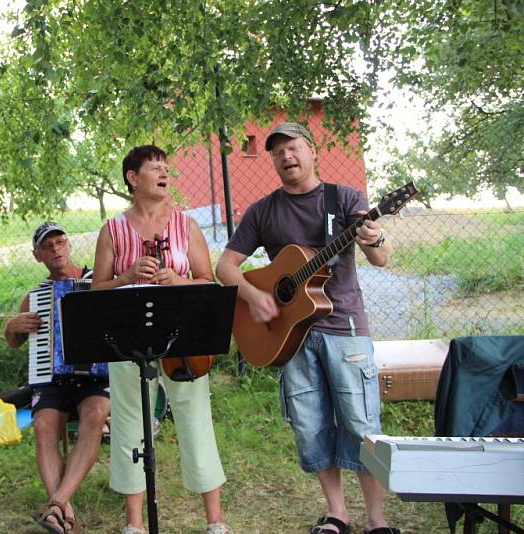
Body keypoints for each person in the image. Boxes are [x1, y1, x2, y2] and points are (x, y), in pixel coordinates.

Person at [216, 122, 398, 534]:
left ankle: (376, 520)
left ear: (312, 150)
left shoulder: (345, 198)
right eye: (278, 152)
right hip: (290, 335)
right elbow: (225, 267)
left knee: (361, 423)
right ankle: (337, 514)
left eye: (293, 148)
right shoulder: (263, 210)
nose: (286, 157)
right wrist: (253, 295)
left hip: (345, 326)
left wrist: (376, 234)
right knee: (311, 425)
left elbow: (381, 258)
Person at [92, 145, 231, 534]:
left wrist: (178, 280)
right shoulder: (113, 230)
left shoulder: (186, 226)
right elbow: (97, 289)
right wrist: (127, 277)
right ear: (133, 178)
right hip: (127, 340)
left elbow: (207, 281)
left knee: (195, 419)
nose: (164, 173)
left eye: (166, 167)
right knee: (128, 423)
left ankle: (215, 521)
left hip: (182, 341)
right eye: (155, 167)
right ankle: (134, 523)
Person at [4, 221, 111, 534]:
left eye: (60, 242)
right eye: (47, 246)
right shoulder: (36, 296)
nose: (56, 249)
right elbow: (13, 342)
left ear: (69, 245)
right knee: (44, 425)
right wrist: (12, 326)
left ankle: (56, 504)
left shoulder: (99, 282)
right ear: (37, 255)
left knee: (94, 416)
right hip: (51, 379)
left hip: (95, 378)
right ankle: (66, 511)